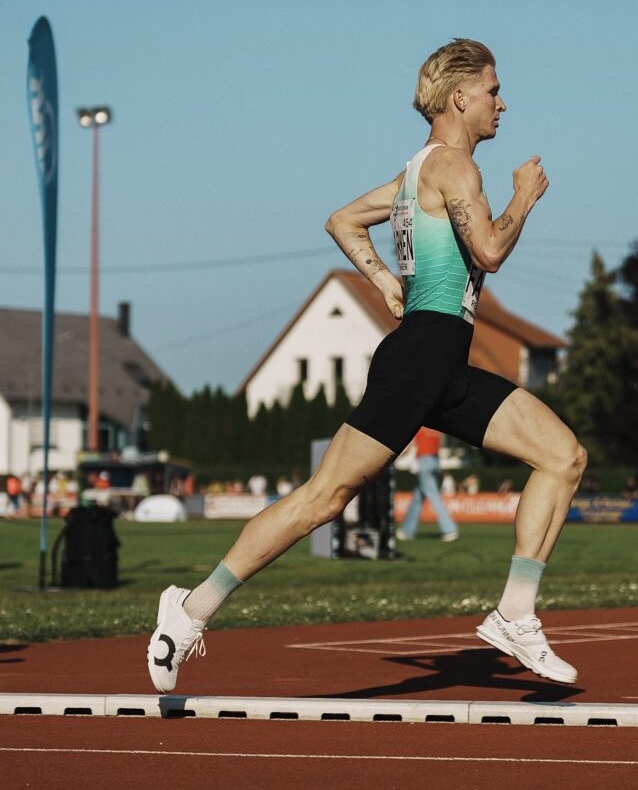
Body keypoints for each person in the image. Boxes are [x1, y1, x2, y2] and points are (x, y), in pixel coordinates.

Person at [148, 38, 586, 692]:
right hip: (419, 361)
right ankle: (188, 610)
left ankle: (515, 613)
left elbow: (343, 221)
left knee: (564, 456)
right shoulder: (456, 169)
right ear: (460, 97)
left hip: (443, 362)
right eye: (494, 91)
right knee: (323, 499)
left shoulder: (417, 173)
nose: (503, 103)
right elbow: (490, 250)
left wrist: (383, 280)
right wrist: (524, 197)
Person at [397, 427, 458, 541]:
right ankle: (407, 530)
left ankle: (449, 529)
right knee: (417, 498)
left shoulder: (419, 428)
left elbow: (411, 445)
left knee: (434, 497)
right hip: (434, 461)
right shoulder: (435, 429)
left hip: (424, 461)